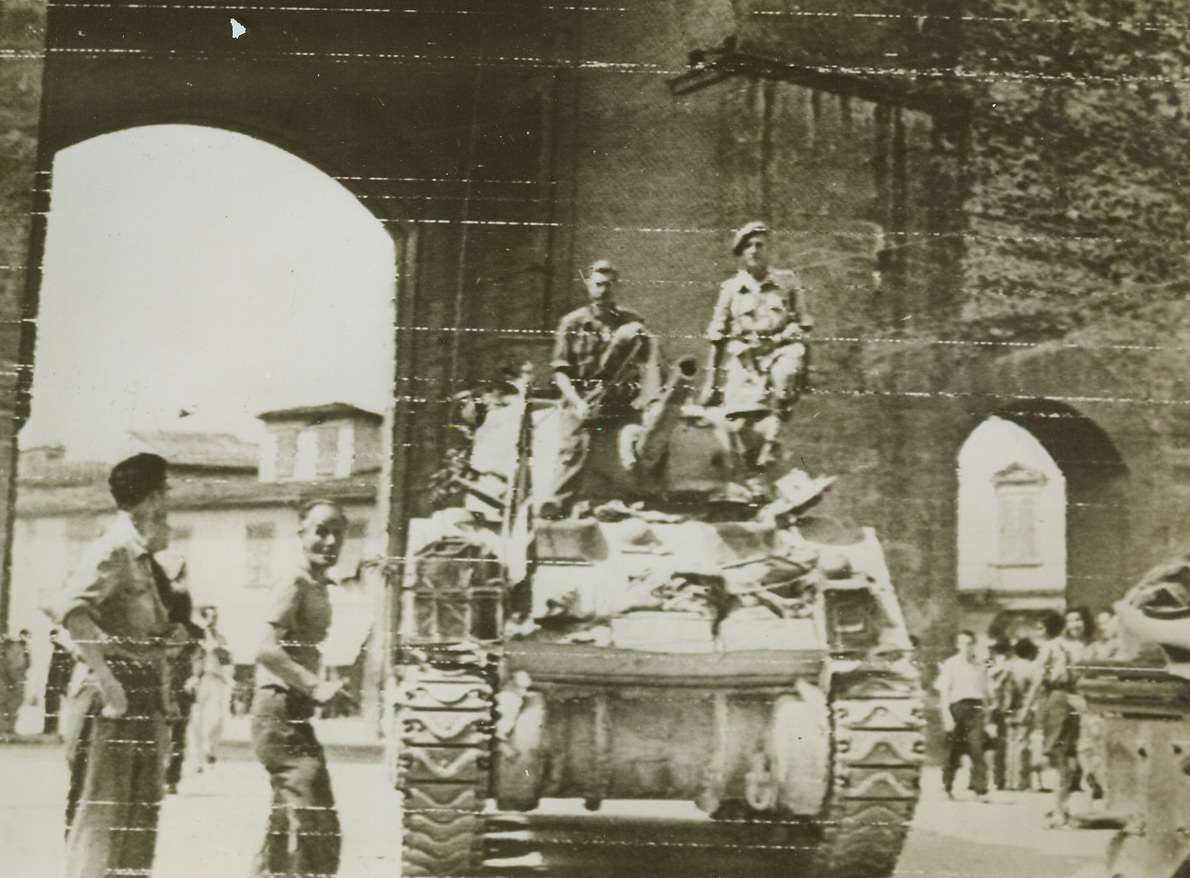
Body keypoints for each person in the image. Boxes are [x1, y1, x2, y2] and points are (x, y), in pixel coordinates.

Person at [42, 452, 173, 878]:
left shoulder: (139, 554)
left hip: (141, 692)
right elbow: (72, 610)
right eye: (164, 491)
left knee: (137, 818)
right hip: (111, 700)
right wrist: (107, 679)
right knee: (101, 817)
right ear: (152, 497)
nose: (168, 499)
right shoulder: (114, 548)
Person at [250, 499, 351, 878]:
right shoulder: (294, 580)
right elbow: (264, 649)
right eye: (320, 531)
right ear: (302, 534)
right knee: (318, 824)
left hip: (290, 712)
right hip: (278, 714)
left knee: (286, 824)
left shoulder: (317, 583)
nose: (329, 541)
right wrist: (316, 686)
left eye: (337, 533)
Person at [541, 259, 654, 518]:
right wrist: (577, 402)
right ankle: (557, 504)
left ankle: (641, 501)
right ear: (589, 287)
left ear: (616, 287)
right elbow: (560, 371)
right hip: (582, 400)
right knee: (575, 448)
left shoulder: (632, 320)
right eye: (598, 285)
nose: (603, 290)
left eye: (609, 285)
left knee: (643, 443)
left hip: (619, 402)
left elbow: (649, 362)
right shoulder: (572, 323)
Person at [700, 222, 813, 479]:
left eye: (759, 245)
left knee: (783, 384)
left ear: (768, 249)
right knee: (740, 423)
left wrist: (805, 368)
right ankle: (752, 475)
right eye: (748, 246)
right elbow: (717, 335)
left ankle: (771, 449)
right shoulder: (730, 288)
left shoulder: (788, 281)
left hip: (782, 350)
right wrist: (711, 383)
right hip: (746, 358)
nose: (754, 250)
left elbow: (805, 324)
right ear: (741, 252)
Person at [1022, 608, 1089, 827]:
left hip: (1071, 699)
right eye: (1071, 621)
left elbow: (1038, 680)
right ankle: (1061, 807)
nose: (1075, 625)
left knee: (1068, 754)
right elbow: (1040, 679)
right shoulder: (1066, 647)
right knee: (1063, 755)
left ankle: (1061, 807)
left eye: (1078, 620)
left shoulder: (1071, 648)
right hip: (1068, 698)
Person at [935, 630, 991, 802]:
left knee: (977, 749)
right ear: (958, 645)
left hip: (976, 710)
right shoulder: (951, 664)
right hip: (957, 709)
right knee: (953, 751)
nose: (965, 648)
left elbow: (984, 691)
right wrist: (947, 717)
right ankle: (947, 786)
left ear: (974, 645)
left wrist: (987, 715)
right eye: (962, 644)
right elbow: (944, 692)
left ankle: (979, 790)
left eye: (969, 644)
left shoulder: (980, 666)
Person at [163, 588, 202, 794]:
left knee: (174, 734)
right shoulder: (192, 630)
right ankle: (168, 776)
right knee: (175, 734)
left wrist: (195, 675)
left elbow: (199, 657)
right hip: (171, 683)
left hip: (177, 684)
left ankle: (170, 777)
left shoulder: (194, 632)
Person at [189, 605, 233, 770]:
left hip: (217, 680)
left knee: (217, 718)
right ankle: (197, 760)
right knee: (196, 720)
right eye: (209, 617)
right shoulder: (196, 636)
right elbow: (191, 656)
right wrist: (192, 677)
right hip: (200, 679)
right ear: (203, 618)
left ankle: (210, 748)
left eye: (215, 617)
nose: (213, 620)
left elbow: (227, 660)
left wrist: (217, 649)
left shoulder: (221, 638)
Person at [43, 628, 76, 735]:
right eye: (51, 635)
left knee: (55, 706)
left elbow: (68, 666)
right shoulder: (55, 648)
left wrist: (65, 682)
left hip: (57, 683)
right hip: (54, 683)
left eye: (54, 635)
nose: (52, 638)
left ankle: (52, 730)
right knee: (51, 706)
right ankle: (50, 729)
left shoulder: (62, 650)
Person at [0, 629, 31, 736]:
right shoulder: (7, 646)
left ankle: (10, 728)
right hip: (6, 677)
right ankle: (4, 728)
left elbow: (27, 663)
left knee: (15, 703)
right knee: (3, 703)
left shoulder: (24, 647)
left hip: (18, 676)